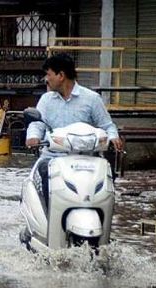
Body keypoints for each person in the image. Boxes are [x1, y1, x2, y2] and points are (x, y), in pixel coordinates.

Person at [26, 53, 122, 206]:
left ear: (61, 75)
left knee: (104, 182)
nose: (46, 79)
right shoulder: (46, 100)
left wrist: (113, 137)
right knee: (41, 175)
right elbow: (37, 124)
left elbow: (107, 125)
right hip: (52, 158)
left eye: (48, 74)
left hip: (86, 159)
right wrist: (33, 136)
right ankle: (49, 216)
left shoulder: (91, 99)